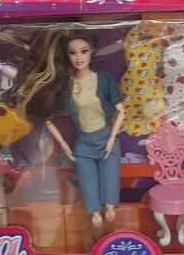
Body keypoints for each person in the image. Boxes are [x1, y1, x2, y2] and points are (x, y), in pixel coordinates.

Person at [16, 30, 125, 229]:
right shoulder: (67, 85)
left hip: (105, 137)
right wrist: (64, 145)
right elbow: (46, 118)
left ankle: (110, 207)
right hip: (83, 143)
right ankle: (94, 212)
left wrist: (111, 138)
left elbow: (121, 111)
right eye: (72, 53)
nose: (79, 57)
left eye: (84, 51)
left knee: (110, 180)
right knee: (87, 181)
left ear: (92, 51)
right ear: (66, 56)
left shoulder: (103, 79)